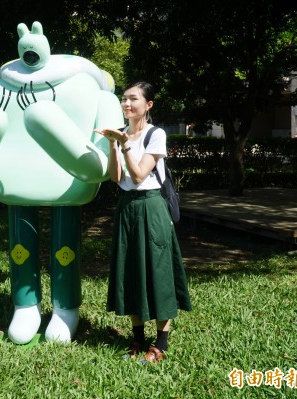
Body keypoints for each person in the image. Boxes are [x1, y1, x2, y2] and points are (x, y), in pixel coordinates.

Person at [94, 81, 192, 364]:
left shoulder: (155, 134)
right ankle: (137, 339)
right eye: (124, 99)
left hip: (151, 207)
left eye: (133, 99)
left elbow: (138, 176)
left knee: (157, 271)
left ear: (148, 105)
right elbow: (116, 178)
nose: (126, 104)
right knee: (131, 269)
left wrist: (125, 145)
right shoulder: (121, 134)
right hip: (127, 208)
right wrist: (114, 143)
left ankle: (160, 344)